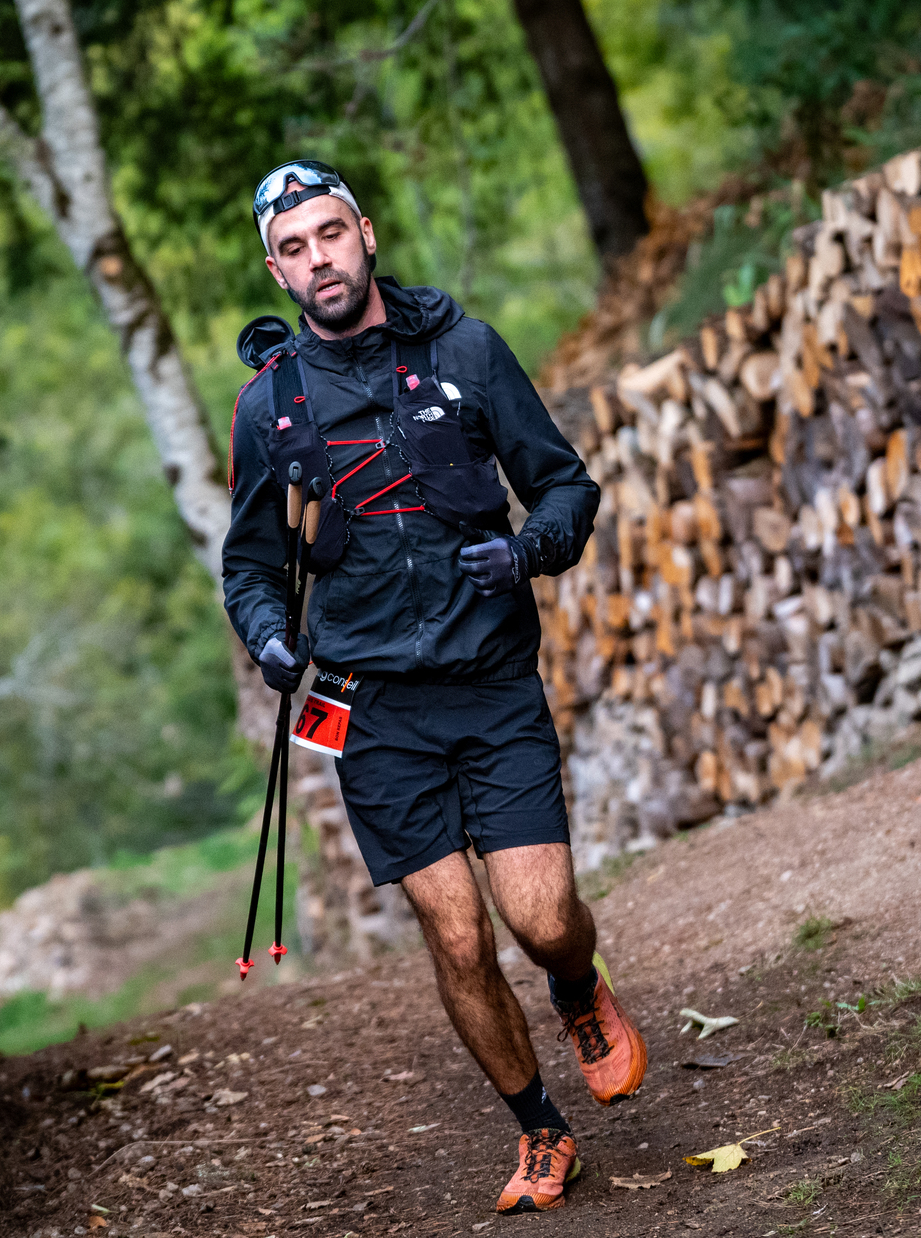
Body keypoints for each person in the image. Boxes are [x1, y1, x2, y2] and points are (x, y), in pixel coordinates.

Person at [221, 160, 645, 1215]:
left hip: (491, 683)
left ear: (364, 233)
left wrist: (529, 550)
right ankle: (540, 1131)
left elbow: (564, 483)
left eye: (330, 234)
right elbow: (249, 565)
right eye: (293, 249)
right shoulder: (268, 408)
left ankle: (576, 987)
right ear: (275, 271)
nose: (318, 259)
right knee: (456, 935)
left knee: (540, 918)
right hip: (369, 709)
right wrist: (268, 635)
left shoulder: (465, 351)